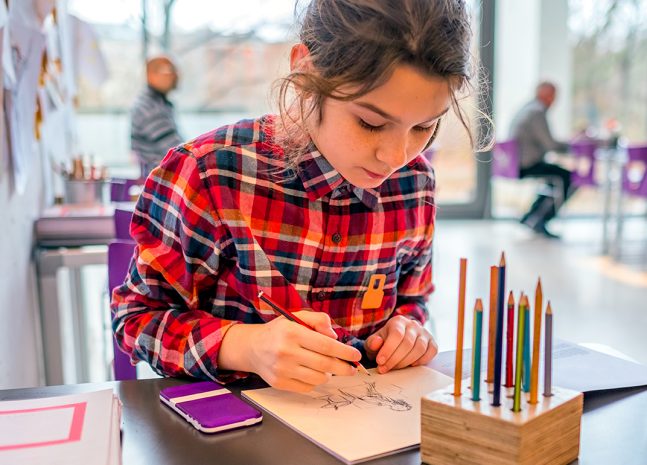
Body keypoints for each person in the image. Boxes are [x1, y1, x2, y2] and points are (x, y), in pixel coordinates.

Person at [112, 0, 477, 393]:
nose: (395, 156)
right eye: (370, 123)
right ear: (304, 72)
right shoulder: (210, 173)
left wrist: (407, 331)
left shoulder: (416, 183)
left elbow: (412, 301)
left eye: (424, 127)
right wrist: (245, 347)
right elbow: (136, 319)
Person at [509, 81, 574, 239]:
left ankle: (531, 216)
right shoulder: (537, 112)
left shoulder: (527, 108)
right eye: (554, 96)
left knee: (554, 177)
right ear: (547, 95)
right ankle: (541, 220)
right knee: (567, 177)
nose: (555, 100)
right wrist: (574, 144)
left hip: (516, 163)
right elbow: (550, 144)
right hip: (527, 165)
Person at [130, 55, 183, 177]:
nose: (175, 75)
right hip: (159, 183)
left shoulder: (157, 103)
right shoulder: (150, 108)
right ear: (151, 75)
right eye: (169, 70)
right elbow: (178, 152)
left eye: (175, 70)